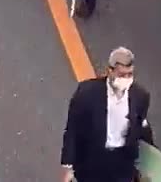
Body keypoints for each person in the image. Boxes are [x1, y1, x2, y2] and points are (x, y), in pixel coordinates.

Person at [60, 46, 152, 182]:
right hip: (93, 160)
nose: (126, 79)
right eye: (121, 75)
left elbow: (141, 125)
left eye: (129, 74)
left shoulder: (140, 95)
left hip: (122, 162)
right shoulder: (87, 93)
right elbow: (73, 128)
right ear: (109, 71)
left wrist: (151, 162)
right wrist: (68, 166)